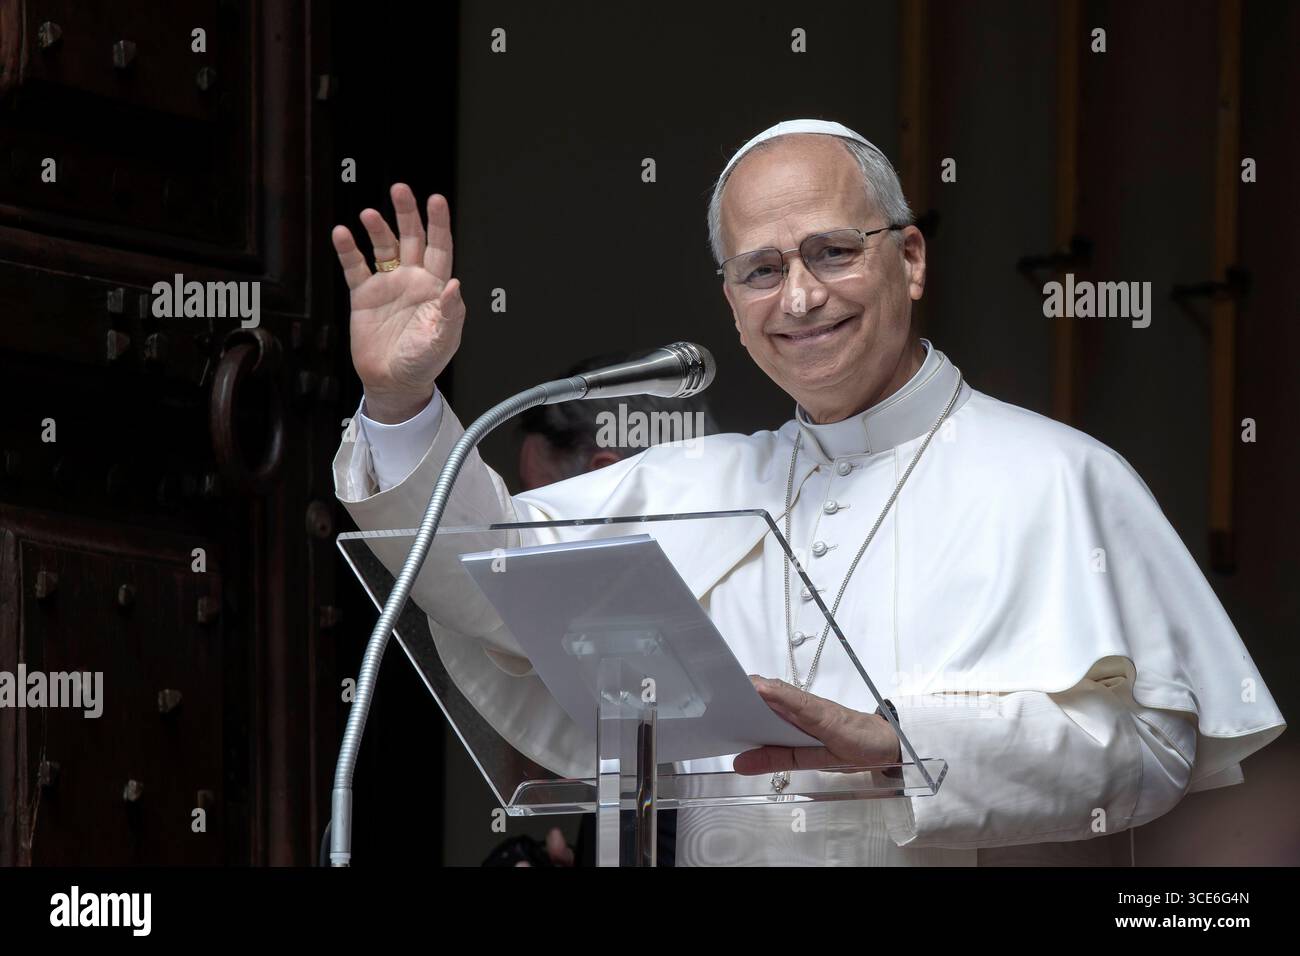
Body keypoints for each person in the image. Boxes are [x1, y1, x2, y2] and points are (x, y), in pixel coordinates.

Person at [330, 118, 1285, 866]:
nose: (798, 298)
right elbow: (480, 581)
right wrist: (402, 399)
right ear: (731, 304)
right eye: (761, 270)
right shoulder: (689, 483)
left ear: (909, 258)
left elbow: (1154, 752)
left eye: (832, 251)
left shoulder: (1061, 475)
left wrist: (900, 743)